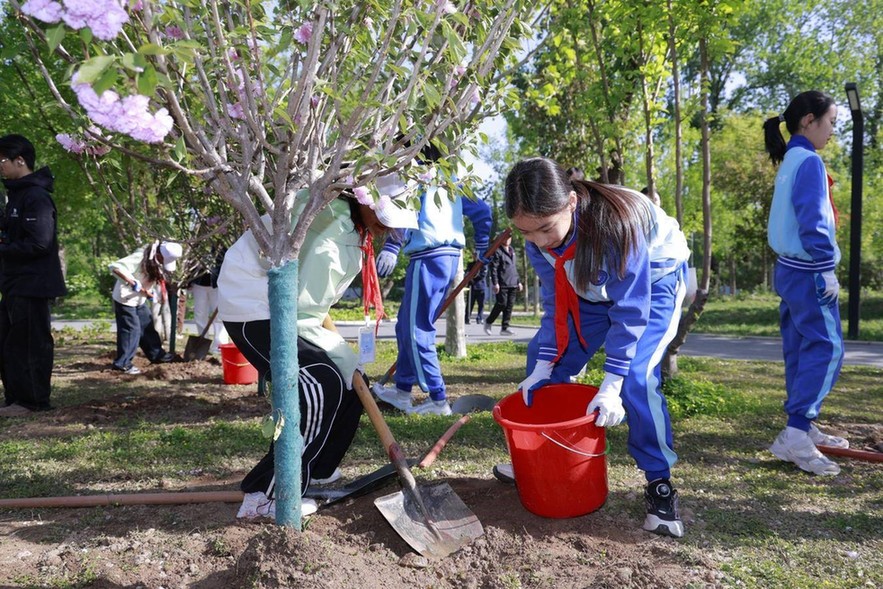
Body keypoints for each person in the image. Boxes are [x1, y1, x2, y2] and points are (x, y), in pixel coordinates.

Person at [496, 157, 691, 538]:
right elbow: (556, 300)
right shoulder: (539, 238)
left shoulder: (617, 224)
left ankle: (659, 483)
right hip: (591, 285)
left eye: (545, 228)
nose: (538, 241)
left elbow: (631, 310)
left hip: (655, 281)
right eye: (526, 232)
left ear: (570, 202)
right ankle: (543, 460)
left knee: (636, 378)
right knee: (544, 362)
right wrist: (546, 363)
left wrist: (612, 383)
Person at [218, 174, 418, 519]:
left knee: (352, 383)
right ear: (365, 199)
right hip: (255, 307)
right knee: (320, 383)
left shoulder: (346, 220)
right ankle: (266, 495)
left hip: (287, 308)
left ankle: (318, 469)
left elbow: (311, 305)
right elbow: (299, 309)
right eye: (384, 216)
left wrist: (346, 360)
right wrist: (339, 355)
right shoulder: (332, 232)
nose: (388, 228)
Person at [762, 91, 848, 476]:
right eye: (831, 122)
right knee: (827, 348)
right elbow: (812, 218)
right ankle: (796, 433)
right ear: (808, 120)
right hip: (810, 270)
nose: (833, 130)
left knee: (799, 349)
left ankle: (802, 426)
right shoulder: (809, 161)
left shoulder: (792, 158)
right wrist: (826, 266)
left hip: (790, 269)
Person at [372, 145, 492, 416]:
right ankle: (402, 391)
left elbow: (406, 212)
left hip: (427, 256)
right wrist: (482, 245)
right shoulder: (452, 180)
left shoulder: (417, 179)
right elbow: (483, 211)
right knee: (406, 324)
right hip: (447, 257)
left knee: (417, 329)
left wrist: (391, 246)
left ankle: (438, 399)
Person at [0, 134, 67, 417]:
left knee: (29, 344)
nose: (0, 166)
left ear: (20, 161)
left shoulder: (36, 197)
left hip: (32, 284)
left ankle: (33, 401)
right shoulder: (17, 195)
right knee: (8, 343)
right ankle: (15, 398)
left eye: (2, 160)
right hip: (14, 284)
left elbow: (40, 243)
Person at [108, 242, 183, 374]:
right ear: (158, 254)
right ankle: (122, 364)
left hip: (139, 299)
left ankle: (157, 355)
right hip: (125, 299)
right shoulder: (140, 256)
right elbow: (115, 267)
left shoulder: (154, 261)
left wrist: (150, 293)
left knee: (147, 327)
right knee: (131, 330)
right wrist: (132, 282)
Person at [188, 247, 228, 355]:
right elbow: (190, 261)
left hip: (216, 284)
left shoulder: (220, 245)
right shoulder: (197, 245)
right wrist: (189, 281)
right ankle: (203, 343)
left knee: (219, 316)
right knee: (200, 314)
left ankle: (219, 345)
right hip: (199, 284)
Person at [483, 234, 522, 336]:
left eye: (509, 238)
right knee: (502, 303)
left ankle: (505, 328)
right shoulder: (497, 251)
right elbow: (494, 268)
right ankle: (488, 322)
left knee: (509, 306)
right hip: (502, 283)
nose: (507, 240)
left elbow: (513, 267)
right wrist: (495, 283)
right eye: (505, 238)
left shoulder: (512, 250)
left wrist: (518, 281)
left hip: (513, 282)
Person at [464, 253, 489, 324]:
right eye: (474, 255)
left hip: (481, 287)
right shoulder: (470, 264)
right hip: (472, 287)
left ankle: (479, 318)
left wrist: (472, 278)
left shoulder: (483, 264)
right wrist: (470, 278)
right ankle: (467, 318)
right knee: (469, 304)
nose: (475, 257)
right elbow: (467, 273)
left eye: (476, 255)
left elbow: (482, 275)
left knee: (481, 304)